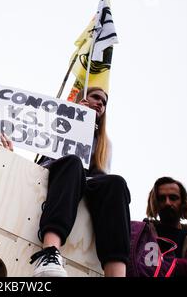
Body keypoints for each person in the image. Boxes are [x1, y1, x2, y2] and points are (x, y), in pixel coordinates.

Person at [29, 87, 131, 277]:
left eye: (104, 102)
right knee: (74, 163)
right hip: (60, 171)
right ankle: (49, 253)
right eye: (95, 97)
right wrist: (74, 118)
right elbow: (47, 155)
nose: (100, 103)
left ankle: (116, 273)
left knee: (117, 183)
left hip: (86, 181)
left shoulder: (104, 143)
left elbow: (100, 177)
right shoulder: (59, 123)